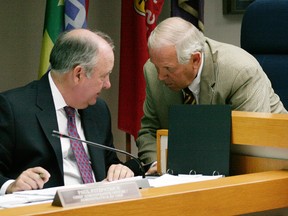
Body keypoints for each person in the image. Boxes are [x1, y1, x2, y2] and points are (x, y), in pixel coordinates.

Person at [136, 17, 288, 174]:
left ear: (195, 59)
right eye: (157, 67)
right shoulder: (153, 71)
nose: (160, 76)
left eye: (168, 69)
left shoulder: (240, 72)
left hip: (271, 166)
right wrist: (158, 162)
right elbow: (149, 131)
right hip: (186, 174)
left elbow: (252, 142)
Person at [0, 29, 137, 194]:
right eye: (104, 76)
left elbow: (109, 163)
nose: (108, 84)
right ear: (78, 74)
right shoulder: (13, 108)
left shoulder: (98, 110)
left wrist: (119, 169)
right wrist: (11, 186)